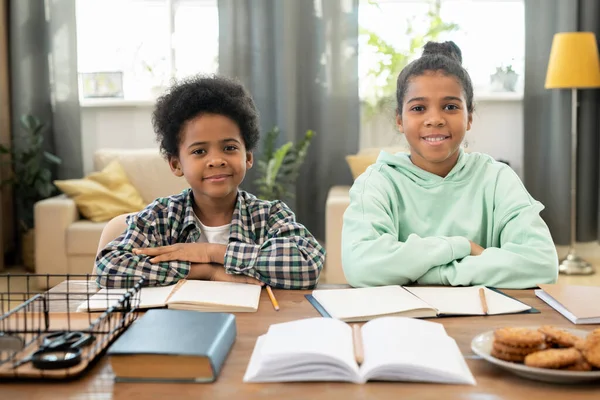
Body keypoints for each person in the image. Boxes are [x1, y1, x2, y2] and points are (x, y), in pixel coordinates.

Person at [341, 41, 558, 289]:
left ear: (469, 117)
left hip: (483, 322)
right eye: (419, 108)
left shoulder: (497, 178)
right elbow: (361, 267)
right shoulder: (377, 182)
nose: (435, 119)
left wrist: (432, 274)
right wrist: (460, 246)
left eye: (450, 107)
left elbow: (541, 264)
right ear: (400, 120)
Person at [95, 75, 325, 289]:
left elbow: (308, 263)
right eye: (199, 151)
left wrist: (212, 253)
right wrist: (205, 272)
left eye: (229, 148)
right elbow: (109, 268)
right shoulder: (160, 217)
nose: (216, 160)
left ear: (248, 157)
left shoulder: (270, 216)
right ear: (176, 164)